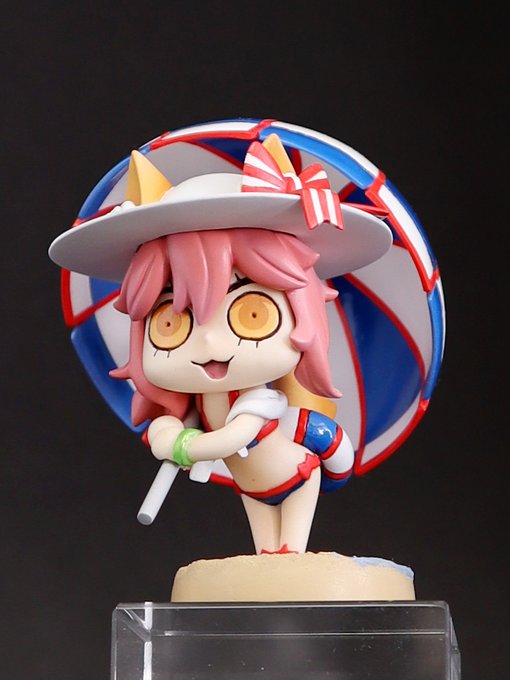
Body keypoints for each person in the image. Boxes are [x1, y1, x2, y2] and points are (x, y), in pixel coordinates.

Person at [49, 133, 392, 553]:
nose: (210, 341)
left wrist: (183, 446)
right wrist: (167, 429)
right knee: (264, 553)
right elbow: (176, 425)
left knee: (289, 553)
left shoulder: (259, 402)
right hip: (252, 486)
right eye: (172, 321)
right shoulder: (202, 401)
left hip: (297, 473)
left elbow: (231, 439)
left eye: (251, 314)